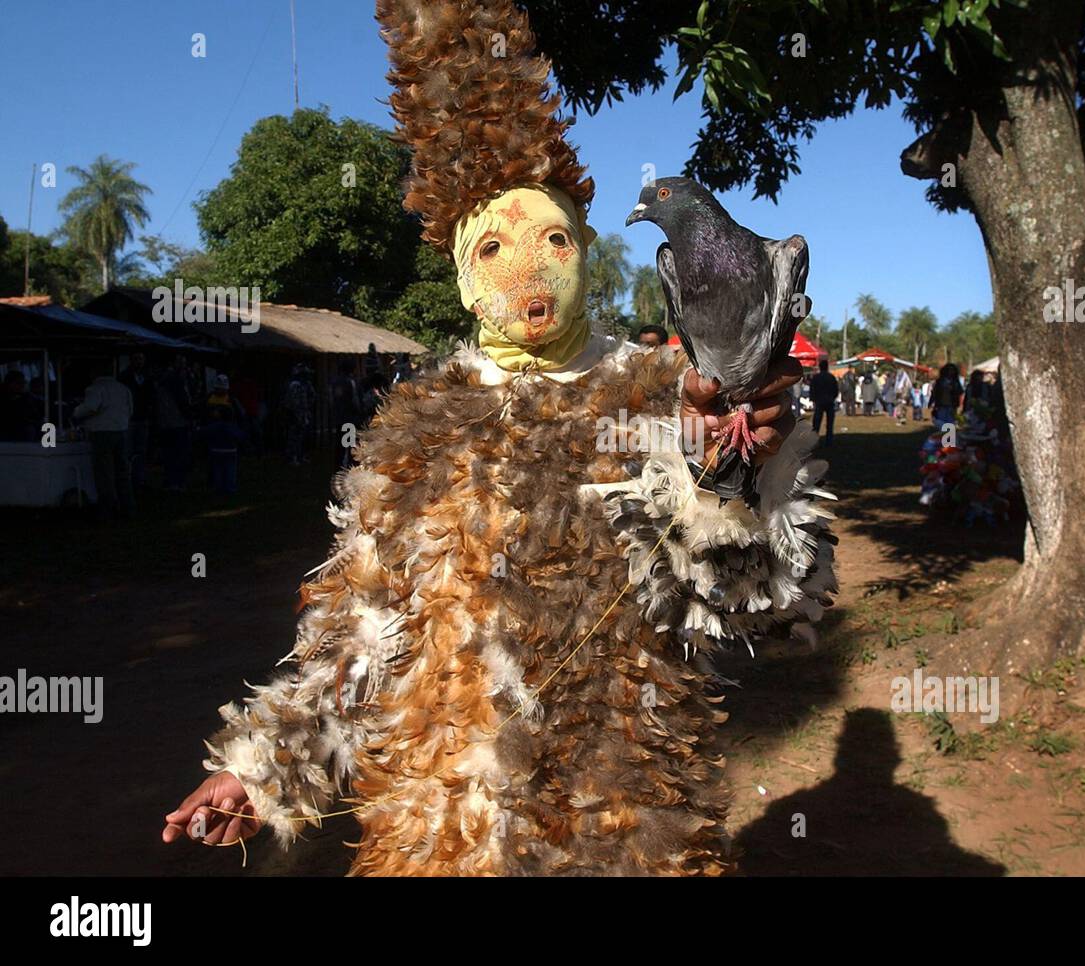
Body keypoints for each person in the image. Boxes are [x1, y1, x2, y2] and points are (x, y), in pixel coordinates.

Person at [164, 0, 835, 877]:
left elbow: (778, 605)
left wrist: (729, 479)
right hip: (445, 837)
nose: (529, 270)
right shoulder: (413, 432)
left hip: (625, 828)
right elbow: (361, 640)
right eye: (493, 250)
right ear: (460, 273)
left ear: (589, 250)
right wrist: (260, 772)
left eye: (554, 236)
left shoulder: (666, 397)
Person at [73, 363, 135, 520]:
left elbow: (91, 407)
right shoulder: (123, 388)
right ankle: (127, 507)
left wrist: (75, 412)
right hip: (121, 430)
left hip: (101, 433)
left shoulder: (94, 389)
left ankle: (107, 509)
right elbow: (130, 409)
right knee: (122, 471)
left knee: (104, 472)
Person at [155, 355, 192, 491]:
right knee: (178, 453)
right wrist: (189, 415)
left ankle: (171, 481)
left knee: (169, 454)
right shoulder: (175, 380)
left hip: (166, 422)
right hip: (177, 422)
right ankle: (177, 481)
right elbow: (182, 402)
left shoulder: (163, 380)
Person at [119, 352, 155, 488]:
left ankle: (139, 478)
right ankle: (127, 478)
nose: (139, 362)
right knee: (128, 450)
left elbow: (151, 396)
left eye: (141, 359)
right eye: (136, 359)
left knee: (141, 450)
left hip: (143, 417)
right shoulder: (125, 377)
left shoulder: (147, 377)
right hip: (129, 418)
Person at [202, 405, 245, 495]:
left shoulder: (214, 426)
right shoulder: (233, 427)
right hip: (231, 451)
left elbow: (204, 432)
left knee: (217, 470)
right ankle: (230, 487)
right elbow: (240, 436)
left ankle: (218, 487)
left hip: (216, 451)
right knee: (231, 470)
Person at [282, 364, 315, 466]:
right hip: (295, 414)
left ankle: (300, 456)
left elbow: (311, 396)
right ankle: (293, 457)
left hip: (302, 413)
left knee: (302, 436)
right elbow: (293, 403)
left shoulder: (304, 385)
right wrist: (297, 415)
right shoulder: (295, 385)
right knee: (294, 436)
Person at [331, 359, 362, 468]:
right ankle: (348, 466)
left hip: (339, 417)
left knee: (340, 444)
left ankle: (338, 466)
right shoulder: (350, 382)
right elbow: (355, 401)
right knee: (349, 444)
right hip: (349, 418)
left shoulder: (334, 381)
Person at [0, 370, 42, 442]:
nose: (21, 386)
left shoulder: (26, 397)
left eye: (23, 383)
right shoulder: (3, 398)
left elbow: (34, 414)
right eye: (18, 383)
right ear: (10, 383)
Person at [809, 356, 840, 444]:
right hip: (829, 401)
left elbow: (812, 389)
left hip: (819, 401)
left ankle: (814, 439)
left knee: (817, 422)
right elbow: (836, 390)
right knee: (830, 423)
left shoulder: (816, 378)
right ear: (827, 367)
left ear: (820, 367)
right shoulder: (831, 377)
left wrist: (813, 399)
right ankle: (829, 440)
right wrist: (833, 397)